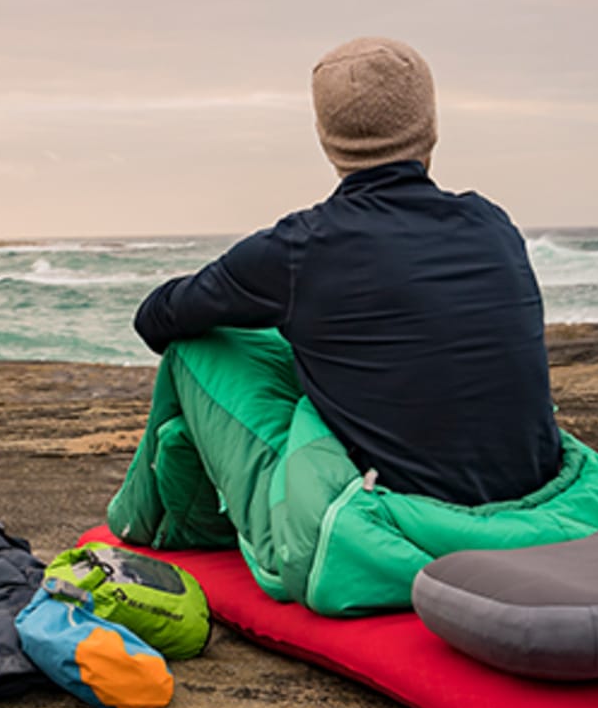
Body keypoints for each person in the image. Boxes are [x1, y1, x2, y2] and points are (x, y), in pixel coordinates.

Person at [131, 36, 561, 506]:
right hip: (528, 498)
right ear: (431, 124)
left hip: (389, 523)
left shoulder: (299, 249)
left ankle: (155, 527)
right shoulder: (492, 222)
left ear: (324, 135)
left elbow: (155, 319)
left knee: (193, 350)